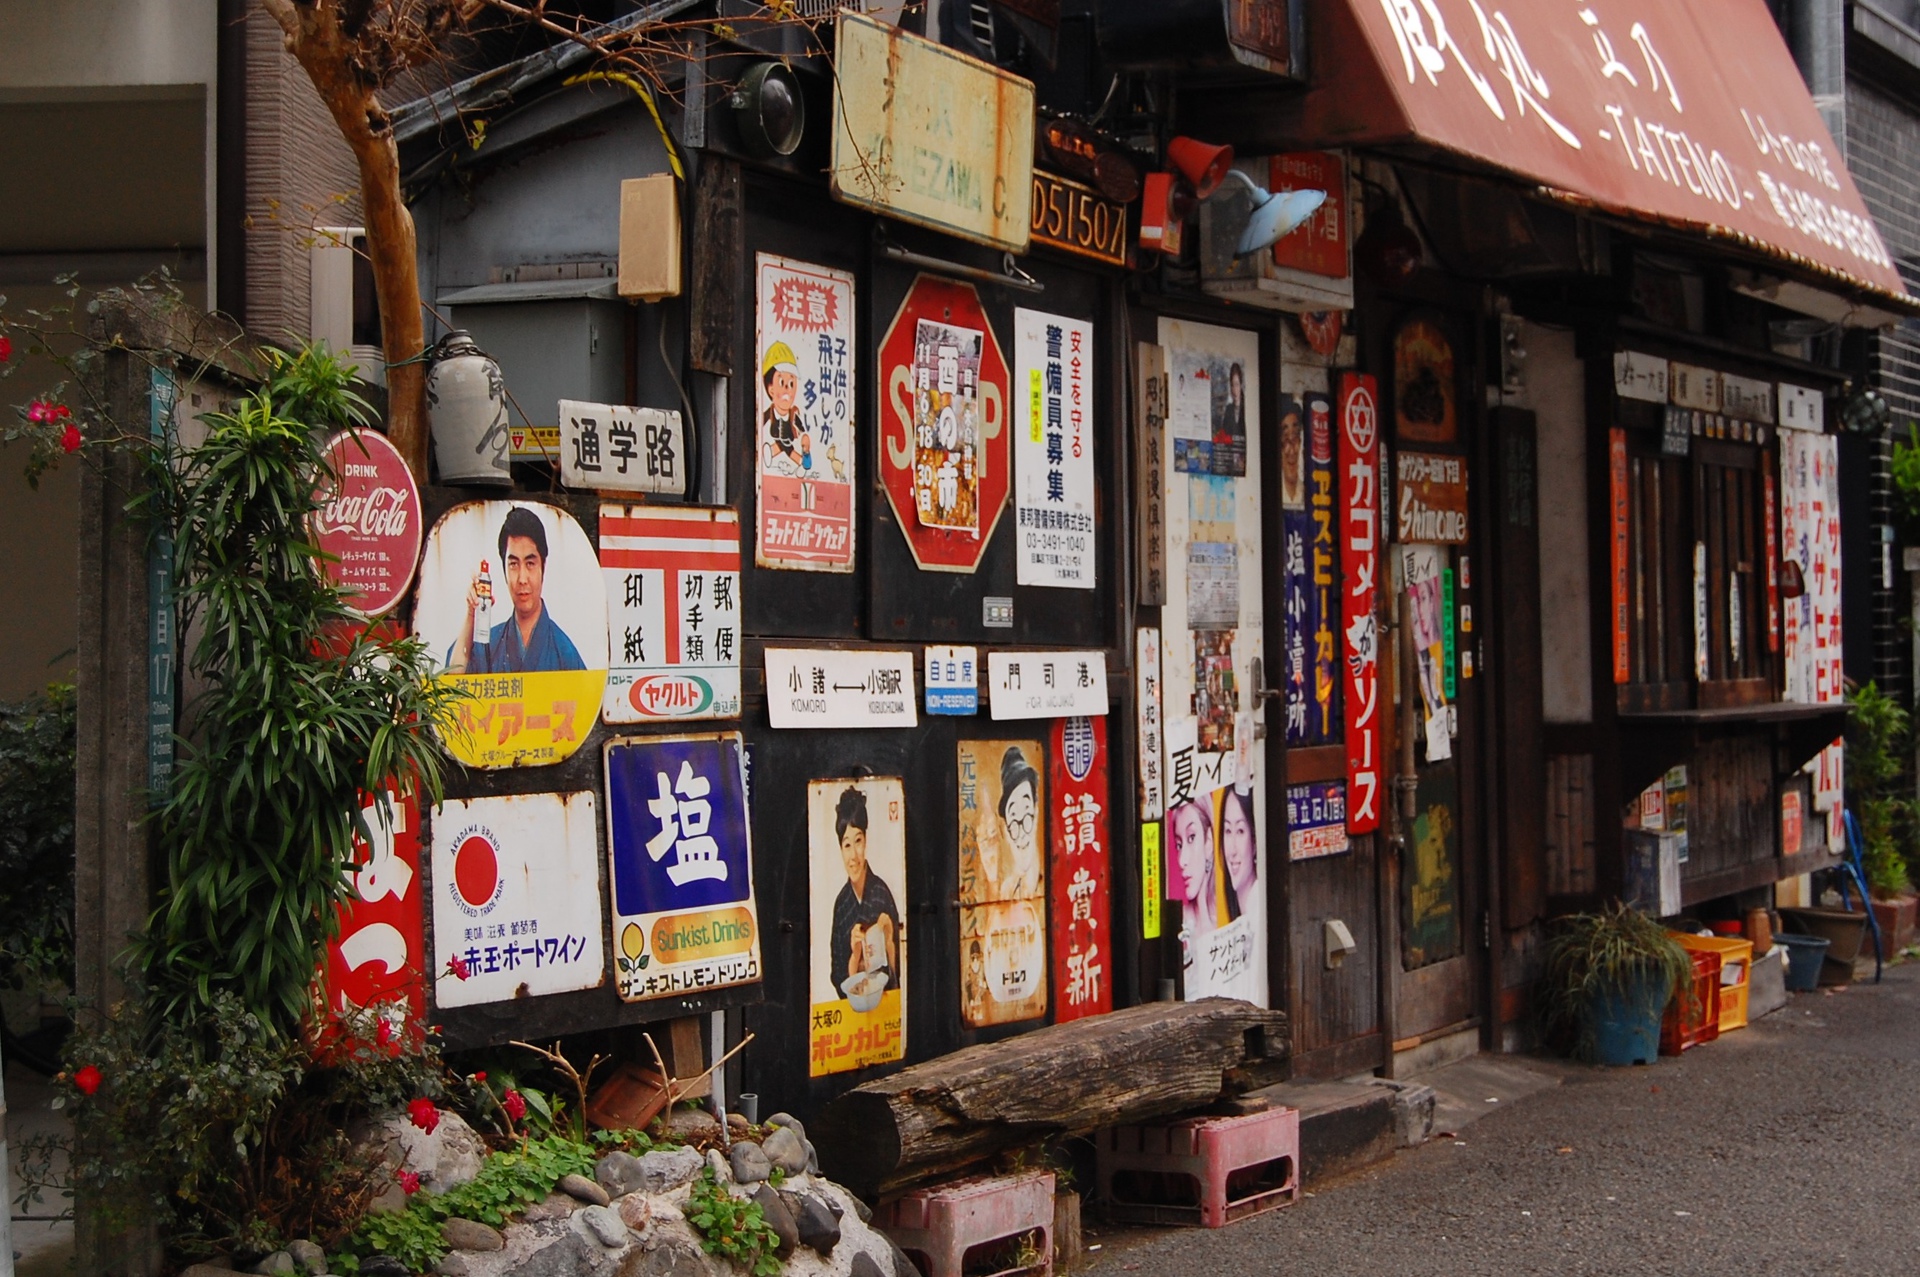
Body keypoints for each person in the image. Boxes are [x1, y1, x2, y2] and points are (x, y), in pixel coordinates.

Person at [448, 506, 585, 674]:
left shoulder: (564, 651)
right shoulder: (491, 644)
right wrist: (471, 614)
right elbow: (452, 679)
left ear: (543, 566)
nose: (522, 579)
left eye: (530, 564)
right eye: (513, 564)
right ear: (504, 570)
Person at [829, 786, 901, 993]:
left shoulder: (881, 893)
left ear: (866, 840)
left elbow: (898, 972)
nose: (853, 856)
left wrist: (888, 942)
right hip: (852, 1010)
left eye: (858, 841)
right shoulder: (841, 904)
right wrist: (854, 955)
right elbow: (836, 974)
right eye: (847, 845)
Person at [991, 747, 1042, 901]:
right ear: (1006, 829)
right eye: (1013, 819)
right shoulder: (1004, 890)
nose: (1021, 833)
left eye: (1026, 813)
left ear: (1035, 811)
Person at [760, 341, 812, 478]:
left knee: (788, 449)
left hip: (788, 439)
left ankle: (803, 462)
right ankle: (770, 453)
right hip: (777, 438)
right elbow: (760, 422)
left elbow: (800, 429)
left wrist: (804, 437)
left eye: (791, 383)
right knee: (781, 446)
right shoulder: (769, 412)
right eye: (782, 383)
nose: (787, 389)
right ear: (770, 389)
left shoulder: (793, 414)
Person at [1170, 796, 1217, 942]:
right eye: (1179, 845)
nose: (1181, 860)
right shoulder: (1178, 924)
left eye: (1191, 838)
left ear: (1208, 842)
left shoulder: (1225, 916)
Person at [1220, 787, 1258, 921]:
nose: (1232, 850)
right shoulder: (1244, 910)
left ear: (1254, 841)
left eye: (1240, 831)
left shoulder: (1258, 910)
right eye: (1228, 831)